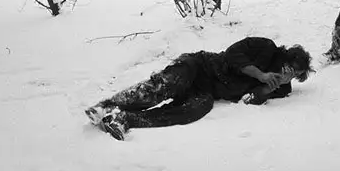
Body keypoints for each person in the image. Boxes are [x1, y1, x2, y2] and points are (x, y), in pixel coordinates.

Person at [84, 37, 314, 140]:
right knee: (166, 86)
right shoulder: (266, 47)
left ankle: (124, 119)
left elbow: (248, 99)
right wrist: (260, 74)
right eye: (288, 67)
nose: (288, 75)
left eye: (294, 74)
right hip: (200, 66)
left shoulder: (282, 88)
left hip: (207, 90)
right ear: (284, 57)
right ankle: (106, 106)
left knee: (195, 109)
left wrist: (266, 89)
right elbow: (232, 54)